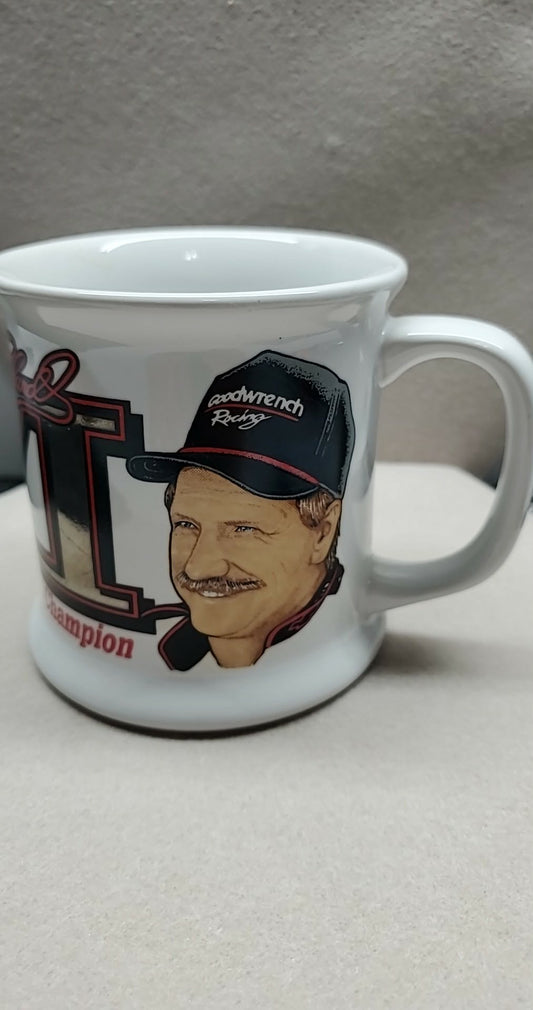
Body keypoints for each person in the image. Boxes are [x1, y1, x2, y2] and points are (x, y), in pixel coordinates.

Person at [127, 350, 355, 670]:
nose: (198, 567)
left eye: (243, 529)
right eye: (186, 524)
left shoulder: (333, 628)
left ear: (323, 533)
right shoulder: (164, 647)